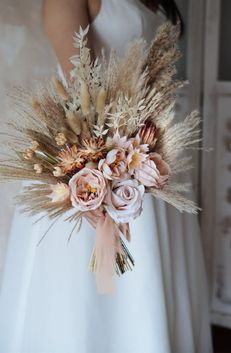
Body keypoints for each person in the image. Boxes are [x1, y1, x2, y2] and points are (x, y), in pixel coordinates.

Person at [0, 1, 213, 352]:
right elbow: (80, 89)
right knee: (90, 294)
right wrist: (101, 172)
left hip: (153, 153)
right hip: (98, 149)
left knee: (155, 278)